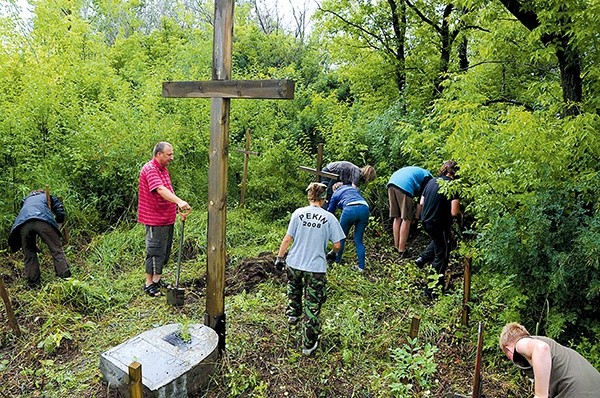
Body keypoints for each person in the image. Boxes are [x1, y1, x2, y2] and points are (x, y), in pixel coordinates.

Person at [274, 182, 345, 356]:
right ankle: (308, 345)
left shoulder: (298, 214)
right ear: (324, 198)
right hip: (315, 268)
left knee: (294, 288)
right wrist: (332, 253)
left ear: (309, 196)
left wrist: (279, 258)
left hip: (294, 263)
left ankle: (293, 314)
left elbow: (287, 239)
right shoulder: (329, 218)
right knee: (312, 306)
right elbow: (338, 244)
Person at [138, 142, 191, 297]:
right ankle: (149, 284)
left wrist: (177, 209)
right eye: (169, 155)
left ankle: (157, 279)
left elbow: (168, 190)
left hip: (167, 218)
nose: (171, 158)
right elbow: (160, 190)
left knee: (164, 251)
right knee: (154, 251)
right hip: (155, 219)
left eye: (172, 154)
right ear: (158, 154)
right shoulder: (150, 169)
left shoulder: (163, 170)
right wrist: (179, 201)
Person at [499, 322, 600, 397]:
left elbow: (541, 348)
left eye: (507, 355)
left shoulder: (520, 343)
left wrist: (539, 396)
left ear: (507, 348)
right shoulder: (558, 350)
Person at [415, 161, 460, 298]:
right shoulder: (453, 185)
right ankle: (431, 291)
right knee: (442, 256)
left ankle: (423, 258)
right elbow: (454, 212)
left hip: (426, 220)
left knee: (439, 241)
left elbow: (421, 202)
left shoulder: (431, 182)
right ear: (455, 172)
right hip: (439, 223)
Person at [8, 190, 71, 288]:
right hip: (43, 220)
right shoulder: (46, 196)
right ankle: (65, 279)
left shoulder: (26, 200)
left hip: (23, 224)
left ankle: (33, 284)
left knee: (29, 254)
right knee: (56, 250)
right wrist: (58, 221)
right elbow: (59, 209)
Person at [387, 166, 432, 256]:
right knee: (406, 219)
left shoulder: (422, 173)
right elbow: (421, 201)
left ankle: (396, 247)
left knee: (397, 218)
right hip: (405, 186)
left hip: (391, 183)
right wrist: (416, 217)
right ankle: (402, 250)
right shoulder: (429, 180)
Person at [327, 182, 370, 272]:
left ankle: (337, 262)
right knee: (359, 241)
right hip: (364, 208)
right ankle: (361, 268)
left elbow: (330, 212)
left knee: (341, 237)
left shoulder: (336, 193)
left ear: (335, 189)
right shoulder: (353, 189)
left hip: (349, 209)